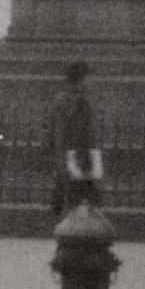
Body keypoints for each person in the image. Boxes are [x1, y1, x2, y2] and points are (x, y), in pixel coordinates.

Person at [48, 60, 100, 218]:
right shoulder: (78, 102)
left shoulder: (61, 100)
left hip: (65, 159)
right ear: (82, 79)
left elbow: (53, 134)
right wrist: (91, 167)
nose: (93, 81)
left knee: (68, 208)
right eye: (90, 77)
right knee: (78, 211)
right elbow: (82, 137)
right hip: (77, 161)